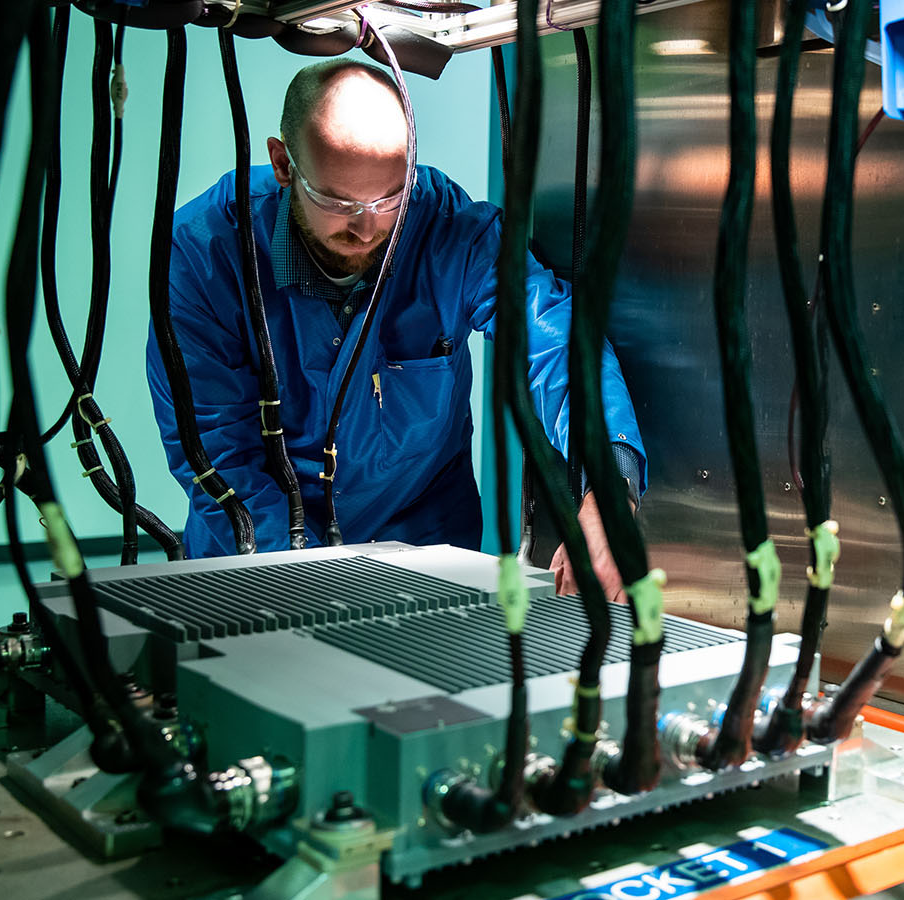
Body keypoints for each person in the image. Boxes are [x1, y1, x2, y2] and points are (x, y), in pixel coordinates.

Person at [147, 59, 643, 597]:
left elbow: (552, 342)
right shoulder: (205, 258)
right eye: (340, 203)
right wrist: (311, 585)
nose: (368, 227)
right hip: (259, 555)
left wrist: (610, 488)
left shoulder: (444, 229)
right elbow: (220, 455)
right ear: (284, 163)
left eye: (389, 197)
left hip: (425, 546)